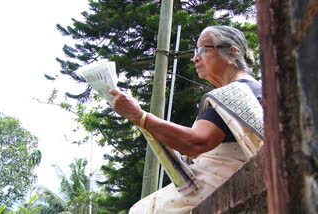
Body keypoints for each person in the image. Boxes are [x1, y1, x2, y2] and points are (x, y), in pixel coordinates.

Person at [109, 25, 264, 214]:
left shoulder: (233, 95)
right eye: (194, 51)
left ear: (232, 53)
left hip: (221, 196)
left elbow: (195, 142)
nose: (195, 57)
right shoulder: (261, 93)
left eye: (203, 49)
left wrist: (139, 116)